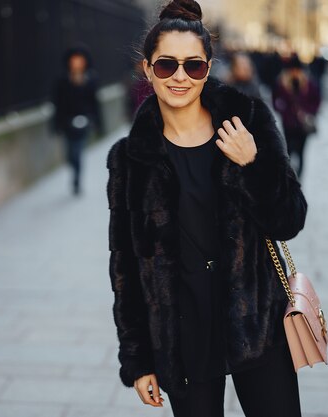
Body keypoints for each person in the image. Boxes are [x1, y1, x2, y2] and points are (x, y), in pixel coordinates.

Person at [106, 1, 307, 416]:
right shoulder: (132, 159)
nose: (180, 77)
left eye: (193, 66)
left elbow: (290, 219)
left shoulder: (246, 122)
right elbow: (125, 266)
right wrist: (138, 360)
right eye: (166, 66)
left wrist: (253, 164)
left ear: (209, 68)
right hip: (182, 338)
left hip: (257, 324)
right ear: (147, 69)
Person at [53, 46, 103, 195]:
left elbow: (95, 103)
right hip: (67, 123)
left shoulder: (91, 79)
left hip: (84, 121)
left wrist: (98, 123)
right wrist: (57, 124)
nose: (77, 64)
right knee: (70, 153)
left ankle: (77, 179)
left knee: (78, 151)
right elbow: (57, 104)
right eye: (74, 61)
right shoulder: (62, 80)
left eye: (79, 61)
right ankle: (74, 168)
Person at [272, 55, 321, 178]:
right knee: (288, 151)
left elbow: (316, 100)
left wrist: (309, 111)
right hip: (288, 122)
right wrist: (282, 110)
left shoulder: (308, 83)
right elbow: (275, 98)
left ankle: (299, 178)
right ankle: (289, 177)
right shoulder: (282, 82)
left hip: (303, 124)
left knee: (301, 152)